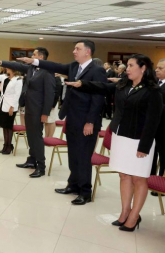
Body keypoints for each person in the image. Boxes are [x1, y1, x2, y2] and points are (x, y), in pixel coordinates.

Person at [67, 54, 162, 231]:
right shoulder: (123, 85)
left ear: (143, 68)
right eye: (128, 65)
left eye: (132, 65)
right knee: (124, 175)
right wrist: (82, 83)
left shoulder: (153, 91)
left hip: (139, 140)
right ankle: (125, 211)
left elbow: (153, 121)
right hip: (121, 137)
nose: (128, 68)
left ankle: (134, 215)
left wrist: (144, 146)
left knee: (138, 178)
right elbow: (103, 87)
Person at [17, 39, 106, 205]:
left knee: (83, 156)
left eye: (77, 49)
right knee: (73, 154)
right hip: (72, 117)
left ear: (88, 52)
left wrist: (90, 122)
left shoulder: (97, 70)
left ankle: (85, 191)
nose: (74, 51)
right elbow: (56, 66)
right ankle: (73, 185)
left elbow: (98, 98)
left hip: (86, 121)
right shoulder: (73, 66)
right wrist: (35, 61)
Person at [0, 47, 55, 178]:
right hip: (29, 108)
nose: (31, 56)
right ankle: (31, 160)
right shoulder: (31, 69)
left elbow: (50, 94)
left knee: (36, 137)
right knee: (30, 135)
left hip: (38, 110)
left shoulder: (47, 72)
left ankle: (41, 166)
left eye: (34, 54)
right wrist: (1, 62)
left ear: (41, 57)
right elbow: (17, 65)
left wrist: (45, 113)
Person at [0, 68, 23, 154]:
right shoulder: (5, 78)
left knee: (8, 126)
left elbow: (17, 95)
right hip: (3, 104)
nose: (6, 69)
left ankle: (9, 146)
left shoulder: (18, 80)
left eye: (8, 68)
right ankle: (5, 145)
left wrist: (12, 107)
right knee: (3, 125)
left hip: (11, 106)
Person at [150, 58, 165, 196]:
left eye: (161, 68)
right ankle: (151, 179)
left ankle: (161, 182)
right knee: (152, 154)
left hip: (163, 127)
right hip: (153, 126)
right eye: (157, 68)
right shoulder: (155, 83)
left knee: (163, 156)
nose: (157, 70)